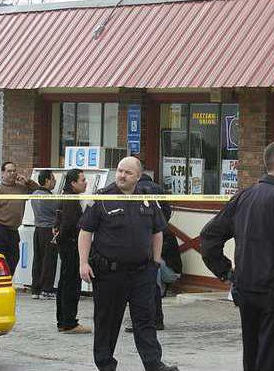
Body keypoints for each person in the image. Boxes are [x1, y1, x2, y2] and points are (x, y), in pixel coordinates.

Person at [201, 140, 274, 371]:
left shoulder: (245, 196)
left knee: (252, 358)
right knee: (270, 360)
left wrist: (227, 273)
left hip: (247, 291)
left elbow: (209, 237)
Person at [78, 157, 179, 371]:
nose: (122, 175)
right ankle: (105, 364)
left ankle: (154, 364)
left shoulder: (147, 199)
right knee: (107, 322)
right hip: (109, 273)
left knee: (145, 320)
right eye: (120, 171)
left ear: (138, 177)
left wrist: (156, 262)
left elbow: (157, 232)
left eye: (128, 172)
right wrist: (83, 263)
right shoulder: (102, 198)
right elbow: (85, 231)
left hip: (142, 273)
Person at [125, 171, 182, 333]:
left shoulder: (134, 190)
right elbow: (167, 211)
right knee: (151, 281)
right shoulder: (158, 189)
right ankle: (156, 319)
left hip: (142, 241)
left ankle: (147, 320)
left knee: (142, 285)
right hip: (155, 237)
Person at [54, 168, 91, 334]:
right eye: (82, 180)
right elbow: (69, 224)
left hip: (66, 244)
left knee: (65, 282)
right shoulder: (70, 200)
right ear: (73, 183)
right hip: (71, 246)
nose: (85, 183)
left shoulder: (69, 197)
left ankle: (63, 321)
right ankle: (69, 322)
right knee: (71, 284)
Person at [0, 161, 40, 276]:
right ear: (2, 173)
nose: (12, 173)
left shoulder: (22, 188)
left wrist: (27, 181)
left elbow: (37, 191)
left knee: (14, 258)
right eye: (9, 171)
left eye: (14, 171)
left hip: (14, 230)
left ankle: (8, 279)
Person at [30, 170, 59, 300]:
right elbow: (59, 209)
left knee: (38, 260)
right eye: (53, 179)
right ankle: (46, 290)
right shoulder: (49, 197)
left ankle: (35, 289)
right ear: (47, 181)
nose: (55, 181)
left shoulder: (35, 194)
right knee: (49, 260)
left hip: (38, 230)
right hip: (49, 231)